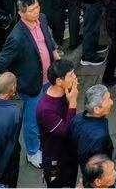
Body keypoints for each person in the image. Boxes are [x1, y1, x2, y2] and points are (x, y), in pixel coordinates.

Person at [0, 0, 58, 168]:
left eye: (37, 7)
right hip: (31, 86)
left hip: (48, 79)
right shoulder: (16, 37)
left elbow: (48, 39)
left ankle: (44, 142)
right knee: (32, 121)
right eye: (31, 10)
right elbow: (1, 65)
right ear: (21, 13)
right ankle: (32, 152)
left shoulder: (42, 19)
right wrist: (16, 85)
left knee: (47, 114)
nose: (36, 12)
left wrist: (54, 53)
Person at [36, 59, 80, 188]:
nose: (75, 77)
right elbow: (65, 131)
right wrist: (72, 103)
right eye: (71, 75)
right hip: (57, 160)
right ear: (59, 81)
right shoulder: (46, 109)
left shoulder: (65, 93)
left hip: (69, 153)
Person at [71, 85, 115, 174]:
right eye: (108, 100)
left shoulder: (77, 119)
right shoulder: (100, 137)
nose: (112, 102)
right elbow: (100, 166)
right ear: (97, 109)